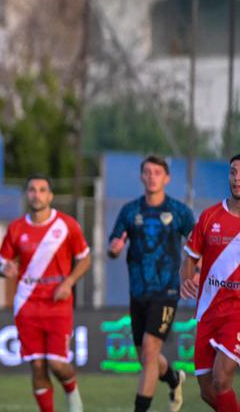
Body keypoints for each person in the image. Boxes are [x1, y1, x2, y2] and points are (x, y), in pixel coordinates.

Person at [0, 175, 91, 412]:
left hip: (57, 302)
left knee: (57, 364)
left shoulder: (66, 225)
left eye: (42, 190)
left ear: (50, 196)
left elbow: (85, 259)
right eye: (32, 190)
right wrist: (4, 268)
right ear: (27, 194)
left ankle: (73, 396)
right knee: (37, 366)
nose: (36, 194)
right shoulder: (16, 228)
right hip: (27, 303)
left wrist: (69, 281)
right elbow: (1, 263)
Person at [108, 155, 194, 412]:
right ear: (141, 177)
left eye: (157, 172)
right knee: (147, 357)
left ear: (166, 178)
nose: (152, 176)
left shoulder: (179, 212)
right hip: (138, 292)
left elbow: (198, 245)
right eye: (147, 172)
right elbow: (113, 245)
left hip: (167, 290)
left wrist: (196, 270)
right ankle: (174, 378)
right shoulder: (130, 211)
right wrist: (115, 248)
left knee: (148, 350)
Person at [180, 153, 240, 411]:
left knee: (221, 379)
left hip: (236, 313)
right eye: (233, 173)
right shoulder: (209, 216)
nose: (237, 179)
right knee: (208, 392)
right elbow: (191, 258)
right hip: (207, 312)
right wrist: (186, 278)